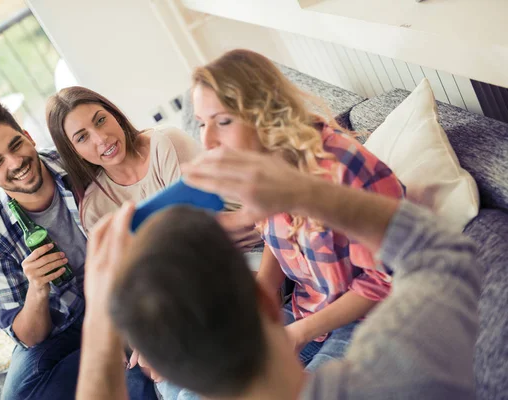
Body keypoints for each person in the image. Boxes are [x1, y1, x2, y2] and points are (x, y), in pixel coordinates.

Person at [76, 147, 480, 400]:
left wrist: (99, 321)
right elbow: (445, 257)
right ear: (265, 299)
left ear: (160, 370)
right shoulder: (397, 371)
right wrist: (303, 192)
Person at [190, 49, 406, 371]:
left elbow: (385, 278)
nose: (206, 140)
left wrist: (300, 332)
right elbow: (280, 242)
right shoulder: (259, 170)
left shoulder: (342, 166)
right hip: (305, 310)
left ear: (262, 112)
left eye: (222, 121)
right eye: (201, 124)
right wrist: (263, 292)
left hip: (367, 319)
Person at [0, 96, 157, 400]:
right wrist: (37, 290)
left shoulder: (78, 162)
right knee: (21, 395)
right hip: (65, 323)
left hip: (123, 291)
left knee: (140, 382)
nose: (15, 162)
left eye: (15, 145)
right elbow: (29, 337)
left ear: (28, 137)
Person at [45, 86, 262, 254]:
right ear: (74, 151)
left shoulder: (165, 143)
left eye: (101, 120)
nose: (101, 138)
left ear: (115, 115)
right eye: (82, 137)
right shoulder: (94, 210)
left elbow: (204, 229)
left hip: (247, 251)